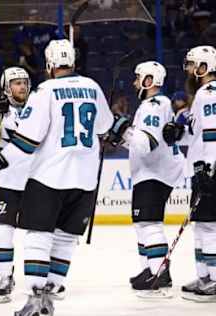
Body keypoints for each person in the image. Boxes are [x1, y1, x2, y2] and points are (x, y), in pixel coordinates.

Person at [0, 39, 113, 316]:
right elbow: (105, 127)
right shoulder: (93, 86)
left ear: (50, 64)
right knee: (64, 239)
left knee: (38, 236)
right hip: (86, 179)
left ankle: (35, 300)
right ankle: (49, 298)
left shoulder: (45, 90)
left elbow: (28, 141)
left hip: (50, 177)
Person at [107, 61, 185, 296]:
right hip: (153, 171)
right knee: (143, 222)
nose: (134, 82)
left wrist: (122, 131)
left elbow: (146, 144)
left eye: (138, 77)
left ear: (149, 80)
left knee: (149, 223)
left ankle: (158, 273)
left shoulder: (153, 105)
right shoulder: (156, 105)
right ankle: (149, 269)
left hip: (155, 171)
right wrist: (121, 136)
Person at [163, 45, 216, 302]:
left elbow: (212, 134)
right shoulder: (202, 96)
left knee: (210, 225)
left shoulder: (208, 93)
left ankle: (215, 280)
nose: (189, 70)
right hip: (203, 169)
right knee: (201, 226)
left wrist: (209, 168)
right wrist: (179, 128)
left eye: (192, 64)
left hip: (210, 169)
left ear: (204, 66)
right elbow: (197, 131)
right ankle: (205, 276)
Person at [0, 67, 35, 303]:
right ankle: (5, 277)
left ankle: (40, 280)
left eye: (24, 82)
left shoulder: (40, 106)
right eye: (16, 83)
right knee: (2, 231)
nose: (21, 87)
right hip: (8, 180)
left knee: (38, 234)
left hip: (37, 180)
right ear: (6, 87)